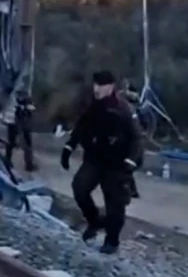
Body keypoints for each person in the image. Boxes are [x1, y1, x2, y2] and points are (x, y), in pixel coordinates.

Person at [61, 70, 142, 254]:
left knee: (115, 203)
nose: (96, 89)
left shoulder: (123, 110)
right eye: (95, 85)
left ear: (111, 87)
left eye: (101, 85)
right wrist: (69, 147)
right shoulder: (93, 106)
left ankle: (112, 241)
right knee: (80, 188)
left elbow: (137, 138)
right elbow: (81, 127)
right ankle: (94, 221)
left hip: (117, 163)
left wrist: (131, 160)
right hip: (95, 158)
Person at [1, 90, 37, 173]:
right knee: (26, 141)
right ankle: (28, 164)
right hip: (19, 117)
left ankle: (8, 160)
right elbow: (21, 99)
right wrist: (26, 106)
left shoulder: (12, 87)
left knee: (11, 140)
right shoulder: (20, 85)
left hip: (13, 116)